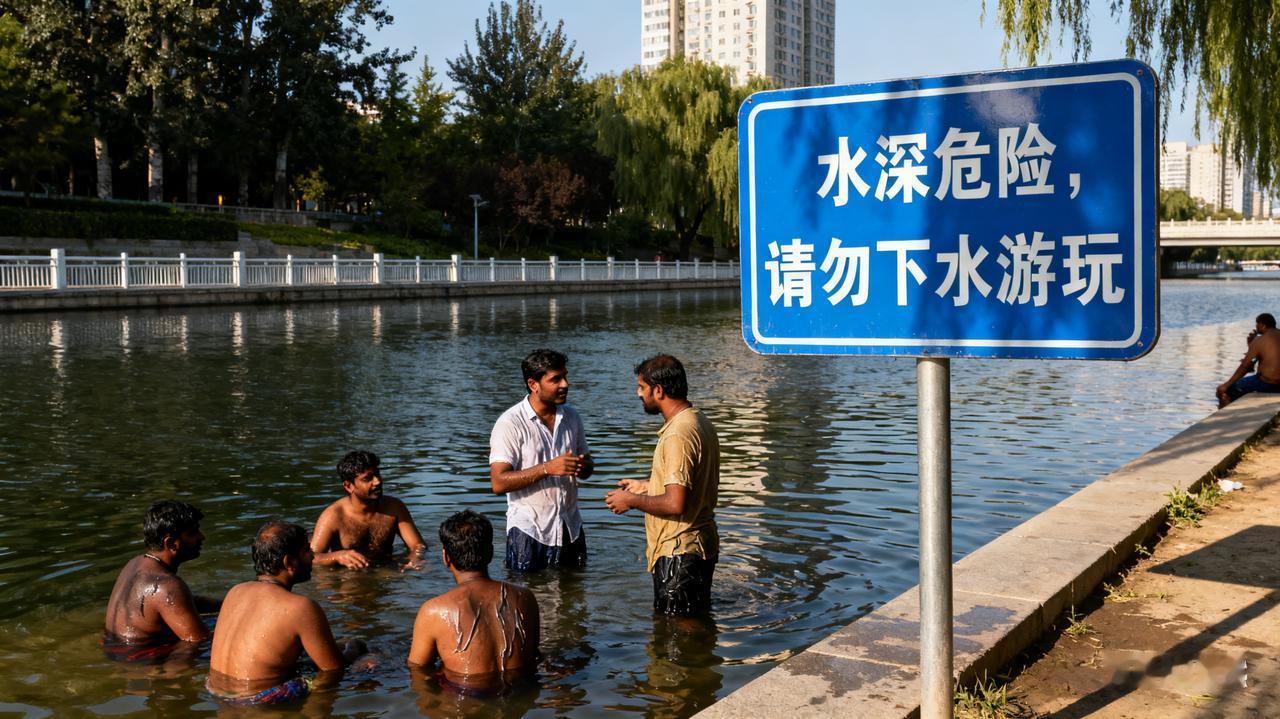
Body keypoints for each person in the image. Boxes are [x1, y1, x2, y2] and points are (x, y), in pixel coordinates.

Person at [605, 354, 720, 616]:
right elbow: (689, 485)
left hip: (680, 550)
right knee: (691, 626)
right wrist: (646, 486)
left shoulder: (679, 433)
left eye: (641, 387)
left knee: (675, 635)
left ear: (658, 390)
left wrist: (630, 501)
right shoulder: (697, 420)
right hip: (698, 545)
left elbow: (675, 502)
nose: (638, 394)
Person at [207, 521, 367, 705]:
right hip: (259, 701)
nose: (313, 557)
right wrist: (356, 647)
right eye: (307, 551)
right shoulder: (301, 607)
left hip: (217, 694)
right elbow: (334, 670)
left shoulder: (235, 591)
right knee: (367, 661)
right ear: (289, 562)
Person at [408, 510, 540, 694]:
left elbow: (417, 670)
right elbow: (534, 654)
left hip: (466, 697)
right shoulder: (526, 597)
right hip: (521, 691)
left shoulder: (433, 610)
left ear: (446, 557)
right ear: (491, 553)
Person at [489, 349, 594, 572]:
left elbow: (588, 467)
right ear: (533, 384)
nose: (565, 384)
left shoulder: (572, 417)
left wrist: (583, 467)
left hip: (570, 527)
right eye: (555, 379)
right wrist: (548, 468)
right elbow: (498, 482)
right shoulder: (510, 423)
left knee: (574, 596)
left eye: (565, 376)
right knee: (525, 595)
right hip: (529, 531)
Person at [103, 500, 221, 660]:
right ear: (171, 543)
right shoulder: (167, 586)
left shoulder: (136, 563)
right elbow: (199, 641)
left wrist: (226, 605)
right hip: (142, 659)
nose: (202, 536)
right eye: (193, 532)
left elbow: (182, 604)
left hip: (116, 648)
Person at [311, 450, 428, 570]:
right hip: (349, 577)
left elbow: (418, 545)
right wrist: (338, 556)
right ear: (348, 486)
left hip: (386, 571)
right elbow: (311, 557)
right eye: (368, 478)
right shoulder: (333, 516)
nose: (378, 481)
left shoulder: (394, 507)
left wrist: (416, 558)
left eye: (377, 474)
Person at [1217, 313, 1280, 408]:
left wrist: (1227, 384)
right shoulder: (1261, 340)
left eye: (1257, 325)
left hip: (1267, 384)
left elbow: (1245, 366)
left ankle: (1226, 417)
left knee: (1226, 391)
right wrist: (1250, 345)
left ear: (1262, 325)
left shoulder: (1259, 340)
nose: (1256, 328)